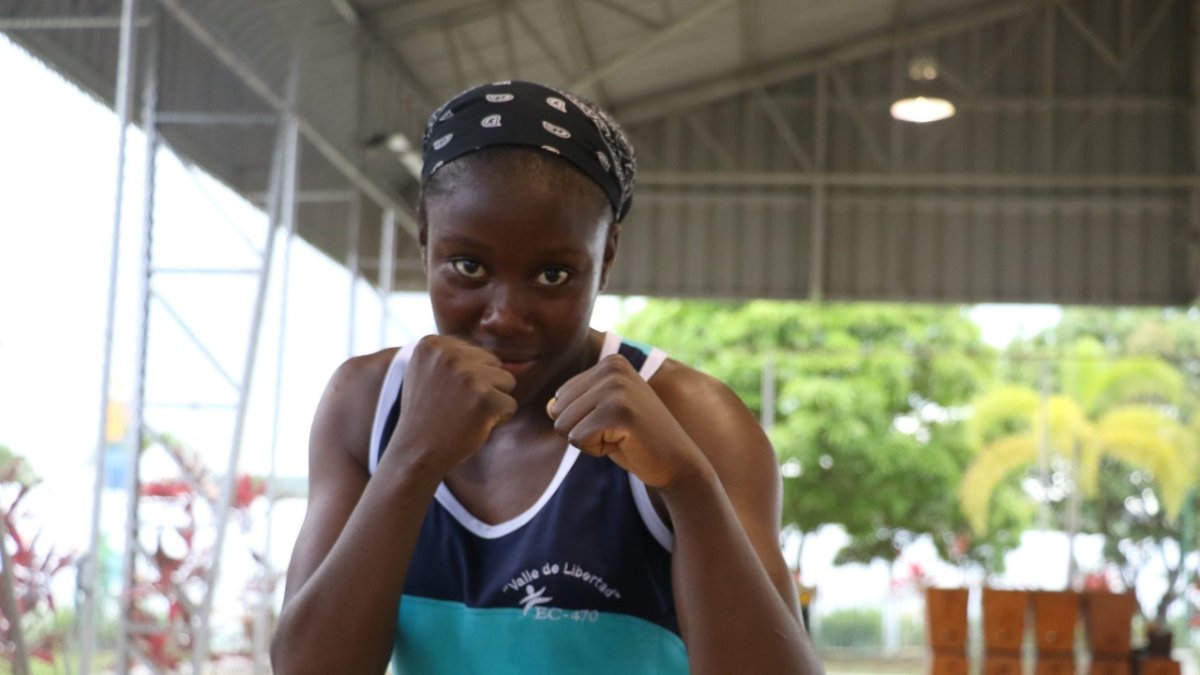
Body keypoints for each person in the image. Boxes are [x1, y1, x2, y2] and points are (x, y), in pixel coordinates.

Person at [270, 80, 824, 675]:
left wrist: (688, 485)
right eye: (468, 266)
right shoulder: (367, 408)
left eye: (554, 274)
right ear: (425, 239)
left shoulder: (692, 416)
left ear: (606, 257)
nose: (505, 315)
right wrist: (412, 462)